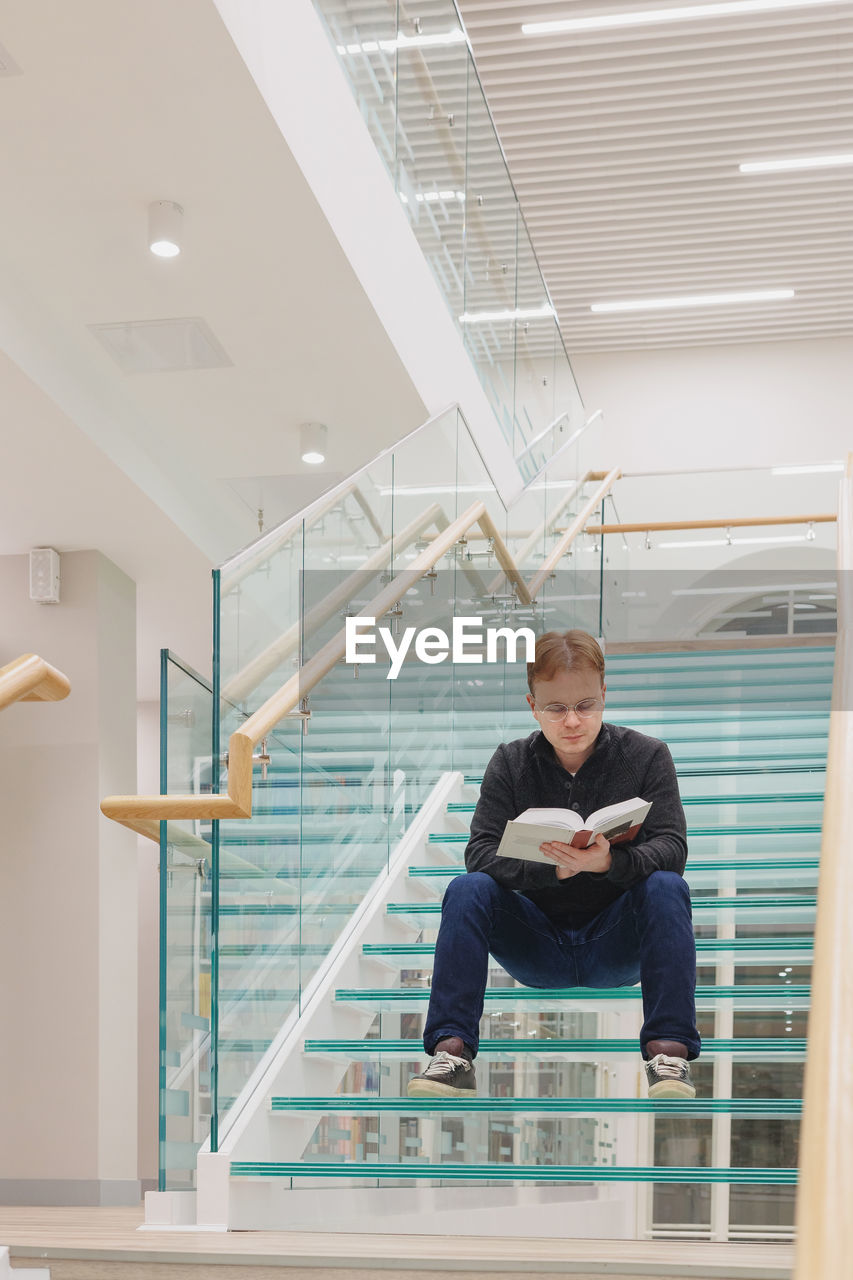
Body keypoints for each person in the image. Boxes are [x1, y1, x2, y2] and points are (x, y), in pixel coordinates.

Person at [408, 629, 700, 1101]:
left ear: (604, 696)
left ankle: (669, 1055)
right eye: (555, 708)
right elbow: (480, 854)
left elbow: (672, 848)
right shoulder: (510, 763)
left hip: (616, 943)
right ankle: (452, 1053)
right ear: (532, 705)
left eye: (585, 705)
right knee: (467, 888)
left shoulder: (647, 756)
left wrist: (610, 862)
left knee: (667, 886)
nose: (571, 721)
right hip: (537, 943)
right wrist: (555, 870)